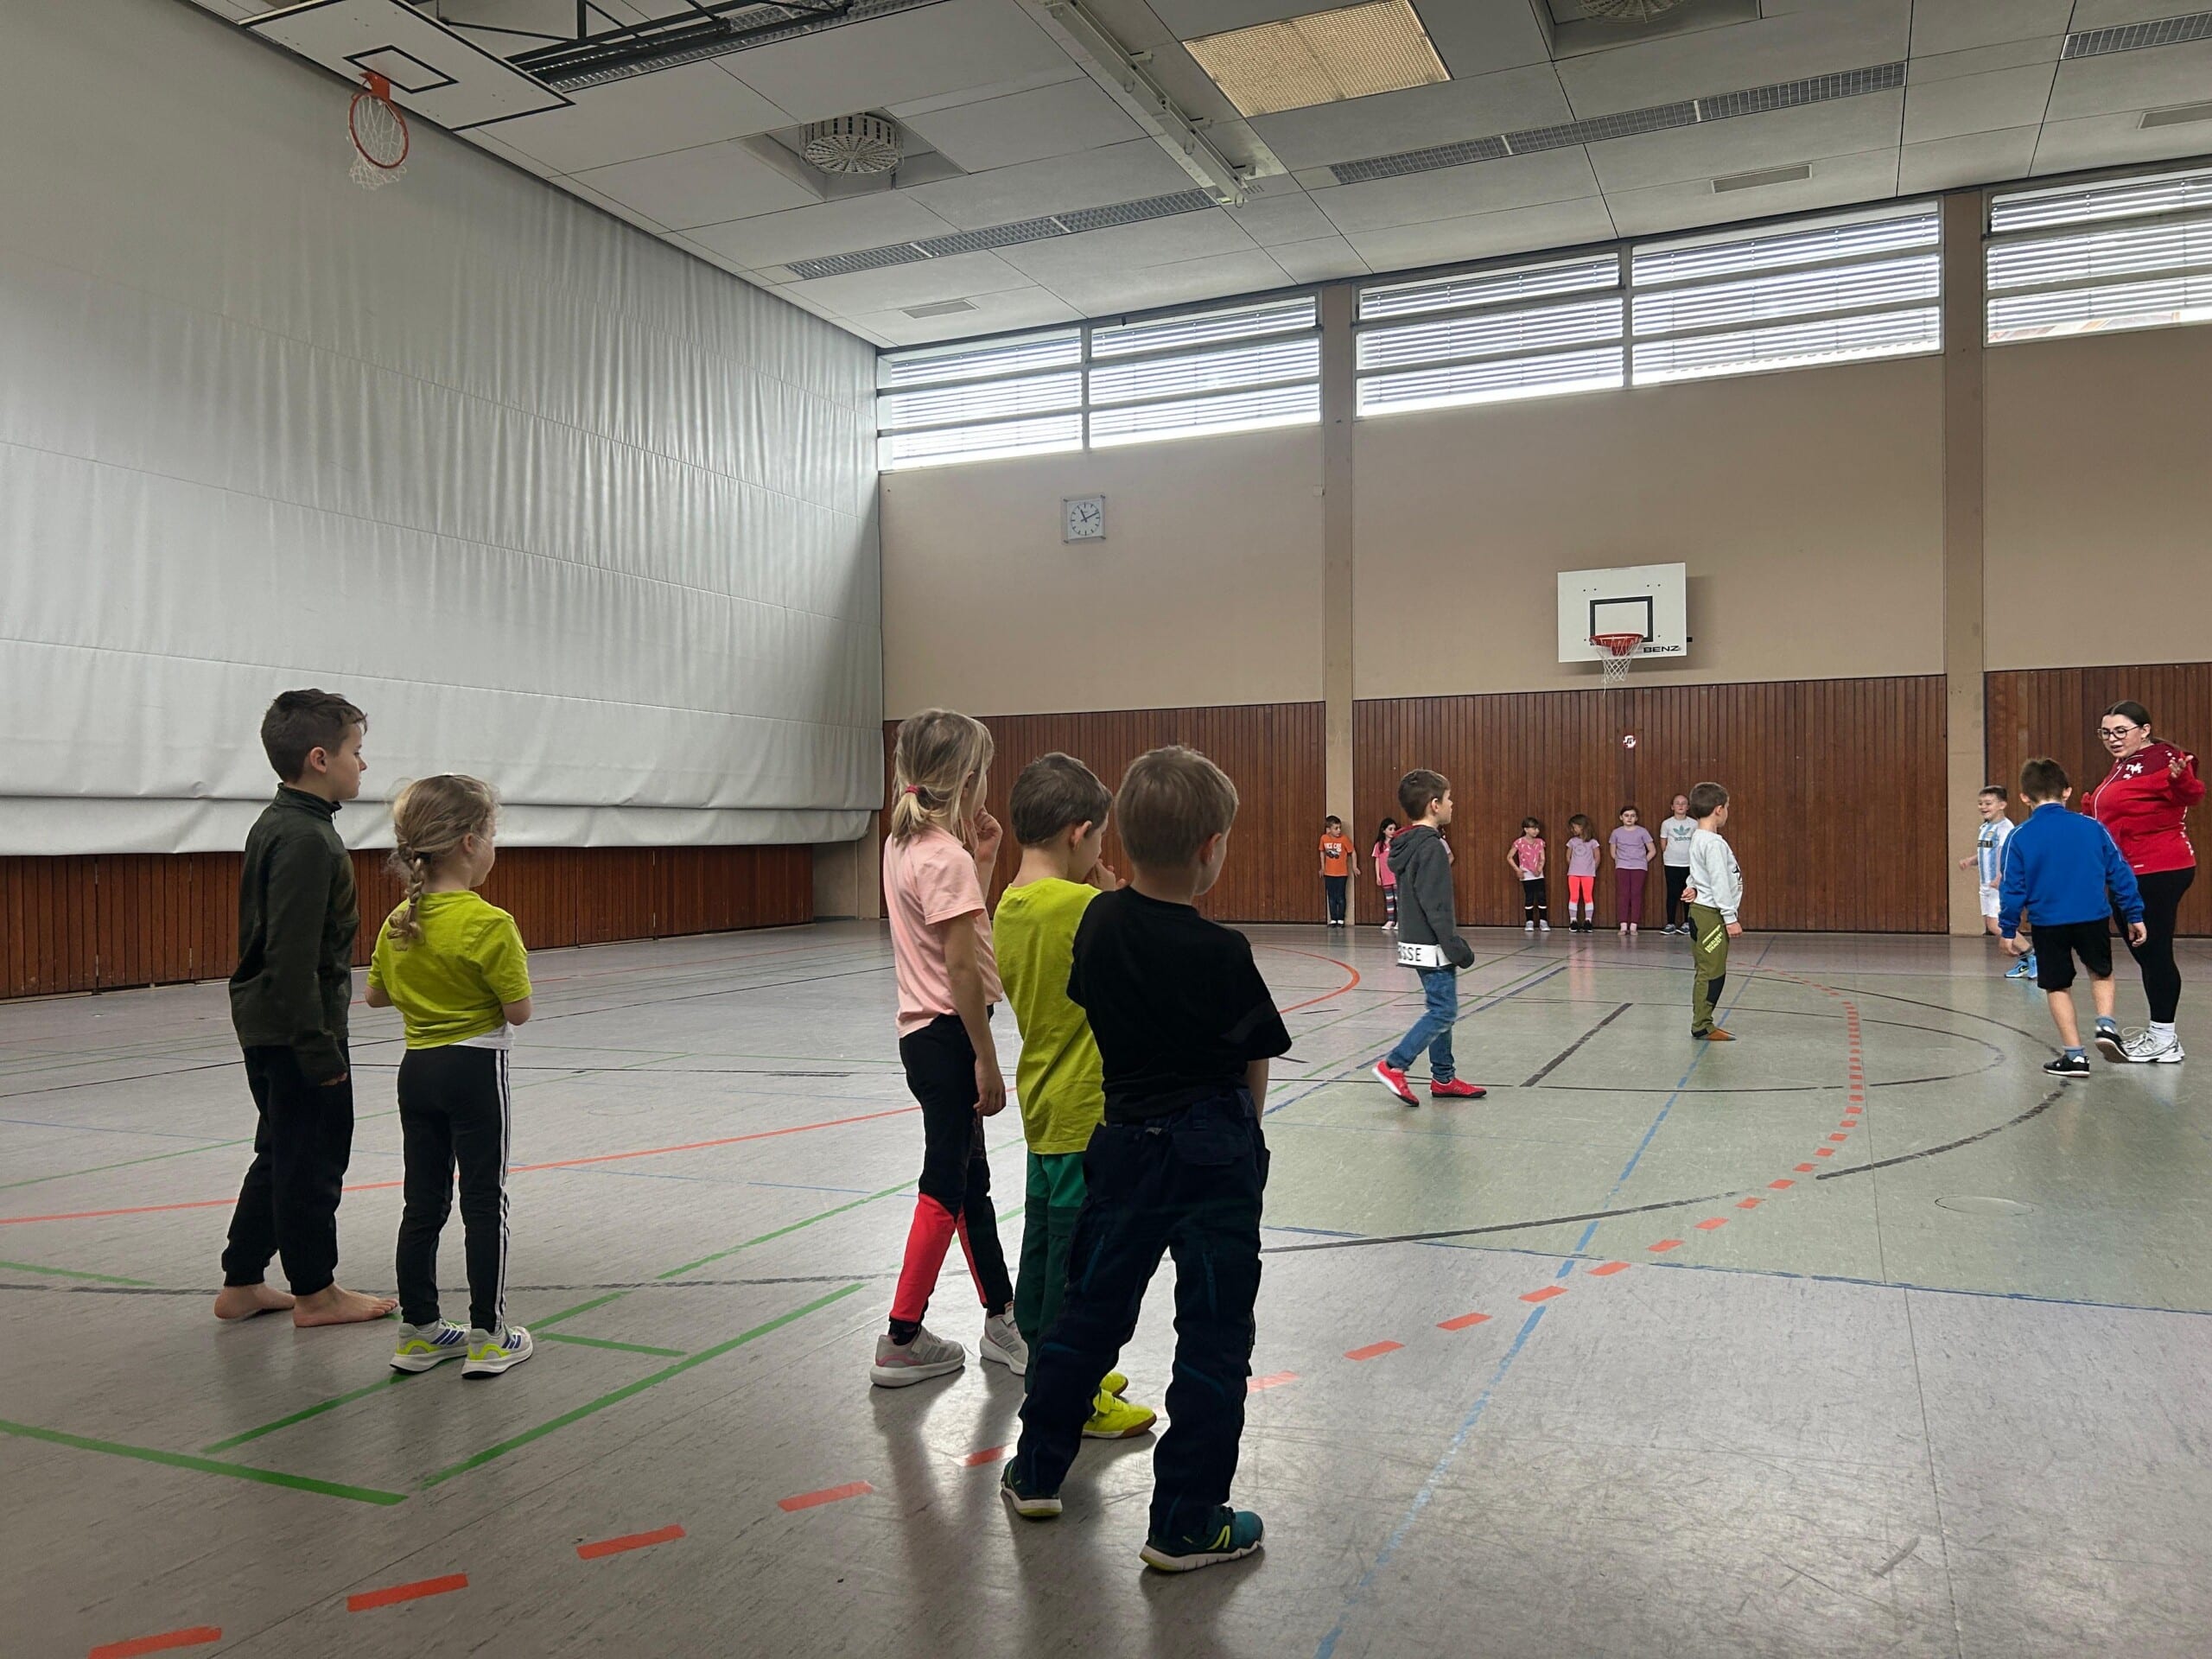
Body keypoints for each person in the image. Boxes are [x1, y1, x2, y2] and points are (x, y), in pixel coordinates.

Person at [1001, 746, 1290, 1573]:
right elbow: (1252, 1063)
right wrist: (1245, 1145)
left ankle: (1037, 1469)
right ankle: (1187, 1520)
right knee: (1212, 1337)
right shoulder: (1223, 951)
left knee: (1087, 1316)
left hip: (1122, 1147)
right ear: (1209, 850)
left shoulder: (1096, 921)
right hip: (1212, 1156)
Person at [213, 690, 398, 1328]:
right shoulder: (307, 840)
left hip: (275, 1022)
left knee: (281, 1151)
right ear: (320, 759)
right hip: (298, 1028)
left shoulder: (282, 824)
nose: (362, 766)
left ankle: (241, 1283)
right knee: (313, 1158)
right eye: (356, 752)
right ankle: (315, 1292)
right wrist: (318, 1051)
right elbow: (292, 957)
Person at [991, 752, 1157, 1440]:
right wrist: (1118, 900)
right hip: (1089, 1111)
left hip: (1042, 1105)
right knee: (1079, 1267)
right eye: (1098, 840)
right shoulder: (1089, 909)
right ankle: (1075, 1389)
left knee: (1042, 1249)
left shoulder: (1010, 903)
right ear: (1078, 834)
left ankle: (1046, 1362)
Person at [365, 775, 536, 1378]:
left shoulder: (397, 921)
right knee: (484, 1200)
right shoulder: (490, 923)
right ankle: (489, 1335)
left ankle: (418, 1331)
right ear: (469, 841)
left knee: (423, 1203)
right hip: (474, 1070)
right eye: (492, 835)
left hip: (417, 1073)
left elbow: (376, 997)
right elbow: (518, 1011)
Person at [873, 709, 1024, 1388]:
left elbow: (958, 938)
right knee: (946, 1183)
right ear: (967, 778)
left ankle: (1001, 1316)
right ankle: (902, 1335)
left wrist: (984, 862)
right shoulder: (944, 856)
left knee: (971, 1185)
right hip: (951, 1037)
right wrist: (986, 1057)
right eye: (984, 769)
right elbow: (962, 972)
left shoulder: (908, 845)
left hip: (924, 1038)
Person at [2000, 756, 2146, 1077]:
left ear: (2025, 797)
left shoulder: (2020, 837)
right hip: (2092, 916)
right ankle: (2106, 1024)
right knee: (2101, 972)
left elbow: (2013, 887)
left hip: (2047, 921)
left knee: (2057, 986)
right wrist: (2134, 913)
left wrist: (2008, 928)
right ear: (2067, 792)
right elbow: (2120, 872)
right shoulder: (2093, 828)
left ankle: (2075, 1056)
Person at [2082, 700, 2202, 1063]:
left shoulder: (2165, 758)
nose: (2113, 739)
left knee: (2153, 952)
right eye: (2106, 733)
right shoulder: (2122, 765)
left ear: (2144, 729)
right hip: (2129, 871)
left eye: (2121, 731)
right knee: (2145, 952)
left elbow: (2190, 793)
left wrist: (2182, 778)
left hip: (2158, 869)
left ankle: (2164, 1037)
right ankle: (2161, 1035)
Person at [1373, 771, 1485, 1106]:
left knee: (1440, 1007)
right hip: (1433, 944)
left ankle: (1443, 1078)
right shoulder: (1432, 848)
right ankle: (1394, 1065)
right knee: (1443, 1011)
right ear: (1434, 805)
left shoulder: (1408, 844)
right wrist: (1455, 947)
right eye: (1449, 799)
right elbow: (1435, 906)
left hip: (1415, 940)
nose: (1453, 804)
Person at [1684, 782, 1742, 1042]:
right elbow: (1719, 881)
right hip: (1711, 916)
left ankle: (1702, 1022)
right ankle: (1702, 1025)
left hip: (1702, 911)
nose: (1728, 812)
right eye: (1728, 807)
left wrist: (1691, 886)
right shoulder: (1714, 843)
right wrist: (1730, 918)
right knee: (1712, 972)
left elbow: (1698, 872)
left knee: (1708, 969)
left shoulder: (1698, 837)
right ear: (1718, 810)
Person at [1957, 785, 2032, 981]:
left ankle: (2032, 956)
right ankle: (2025, 961)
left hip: (1999, 885)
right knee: (1992, 924)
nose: (1983, 806)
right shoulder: (1985, 827)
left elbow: (2006, 854)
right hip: (1986, 885)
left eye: (1988, 803)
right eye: (1980, 803)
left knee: (1997, 924)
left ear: (2002, 805)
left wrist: (2001, 877)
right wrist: (1970, 861)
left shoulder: (2005, 828)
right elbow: (1985, 853)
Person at [1610, 805, 1656, 936]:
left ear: (1636, 818)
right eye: (1626, 815)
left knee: (1636, 895)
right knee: (1623, 895)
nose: (1629, 818)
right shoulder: (1616, 832)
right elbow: (1613, 852)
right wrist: (1620, 862)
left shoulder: (1642, 832)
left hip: (1639, 867)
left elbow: (1652, 850)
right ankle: (1623, 925)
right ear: (1621, 817)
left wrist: (1642, 861)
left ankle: (1634, 926)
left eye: (1632, 816)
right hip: (1622, 867)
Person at [1659, 793, 1697, 933]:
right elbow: (1663, 843)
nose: (1680, 805)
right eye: (1677, 803)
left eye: (1683, 803)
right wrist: (1670, 855)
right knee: (1672, 893)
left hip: (1689, 864)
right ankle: (1670, 923)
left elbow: (1696, 842)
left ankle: (1687, 923)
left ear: (1688, 807)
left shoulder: (1694, 824)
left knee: (1688, 892)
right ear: (1672, 807)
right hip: (1671, 863)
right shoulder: (1667, 824)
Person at [1510, 817, 1548, 932]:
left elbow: (1542, 858)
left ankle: (1543, 921)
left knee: (1542, 897)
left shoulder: (1540, 842)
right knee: (1529, 897)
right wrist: (1518, 870)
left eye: (1537, 829)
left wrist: (1539, 869)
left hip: (1538, 874)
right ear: (1526, 829)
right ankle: (1529, 921)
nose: (1536, 831)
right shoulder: (1519, 842)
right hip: (1527, 875)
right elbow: (1509, 857)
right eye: (1533, 828)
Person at [1563, 815, 1601, 932]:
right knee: (1574, 896)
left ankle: (1588, 921)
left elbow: (1597, 857)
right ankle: (1573, 920)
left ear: (1582, 827)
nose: (1573, 830)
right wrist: (1574, 867)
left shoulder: (1593, 842)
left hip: (1588, 874)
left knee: (1587, 897)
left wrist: (1592, 869)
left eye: (1574, 827)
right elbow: (1568, 856)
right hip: (1574, 874)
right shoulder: (1572, 842)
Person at [1319, 816, 1357, 927]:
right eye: (1336, 828)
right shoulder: (1324, 839)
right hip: (1329, 873)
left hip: (1341, 873)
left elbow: (1352, 852)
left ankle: (1341, 919)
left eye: (1340, 828)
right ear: (1329, 829)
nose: (1339, 830)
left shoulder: (1344, 839)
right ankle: (1333, 919)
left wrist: (1354, 866)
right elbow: (1321, 852)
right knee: (1331, 896)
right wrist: (1323, 867)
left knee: (1340, 896)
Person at [1371, 817, 1401, 931]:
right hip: (1385, 877)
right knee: (1389, 900)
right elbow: (1377, 860)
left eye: (1394, 829)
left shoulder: (1397, 844)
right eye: (1390, 829)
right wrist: (1378, 876)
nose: (1393, 831)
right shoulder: (1379, 845)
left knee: (1398, 900)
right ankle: (1391, 920)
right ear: (1383, 830)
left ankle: (1399, 921)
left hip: (1395, 876)